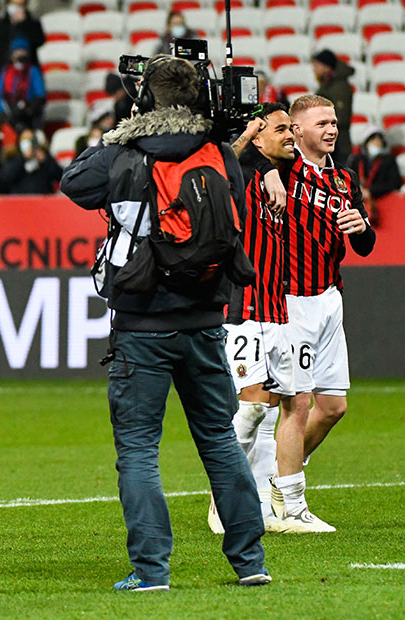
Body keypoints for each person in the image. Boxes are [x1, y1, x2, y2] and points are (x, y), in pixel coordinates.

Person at [60, 55, 270, 590]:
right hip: (205, 318)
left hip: (141, 323)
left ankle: (151, 570)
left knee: (137, 449)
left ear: (144, 98)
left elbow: (73, 183)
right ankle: (251, 564)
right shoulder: (222, 153)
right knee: (220, 440)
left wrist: (122, 129)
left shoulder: (125, 153)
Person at [242, 94, 375, 532]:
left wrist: (363, 227)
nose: (332, 129)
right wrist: (266, 172)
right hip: (291, 299)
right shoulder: (283, 166)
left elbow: (364, 246)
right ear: (297, 131)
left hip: (329, 298)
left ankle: (284, 470)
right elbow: (244, 160)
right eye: (321, 123)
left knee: (333, 406)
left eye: (334, 121)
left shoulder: (344, 179)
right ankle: (290, 503)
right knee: (295, 404)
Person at [207, 103, 297, 534]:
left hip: (278, 309)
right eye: (280, 129)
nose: (290, 134)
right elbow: (221, 160)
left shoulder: (283, 177)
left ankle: (260, 503)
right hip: (243, 308)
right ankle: (220, 498)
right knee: (252, 405)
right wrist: (256, 155)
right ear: (257, 137)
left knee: (273, 408)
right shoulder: (242, 175)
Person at [0, 0, 45, 92]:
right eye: (14, 5)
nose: (17, 8)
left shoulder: (33, 24)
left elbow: (39, 40)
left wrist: (23, 24)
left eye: (21, 5)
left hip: (26, 80)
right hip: (2, 78)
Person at [347, 126, 402, 226]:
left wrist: (371, 191)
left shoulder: (388, 160)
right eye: (373, 140)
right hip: (357, 200)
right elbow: (346, 179)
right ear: (366, 143)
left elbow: (395, 183)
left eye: (379, 141)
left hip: (382, 202)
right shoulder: (356, 159)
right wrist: (359, 191)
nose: (376, 143)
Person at [0, 38, 45, 132]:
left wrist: (28, 107)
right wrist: (4, 110)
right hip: (10, 112)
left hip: (28, 114)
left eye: (23, 51)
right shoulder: (6, 71)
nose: (20, 54)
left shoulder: (32, 71)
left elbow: (40, 93)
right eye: (17, 51)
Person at [312, 50, 353, 165]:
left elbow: (342, 117)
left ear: (326, 66)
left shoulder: (339, 87)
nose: (314, 69)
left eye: (317, 65)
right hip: (329, 142)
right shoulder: (327, 84)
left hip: (339, 145)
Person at [0, 128, 62, 194]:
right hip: (20, 199)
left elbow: (59, 175)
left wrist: (44, 160)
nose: (28, 143)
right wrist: (23, 158)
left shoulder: (44, 155)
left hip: (43, 198)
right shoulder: (13, 156)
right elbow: (5, 178)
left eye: (30, 139)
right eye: (25, 140)